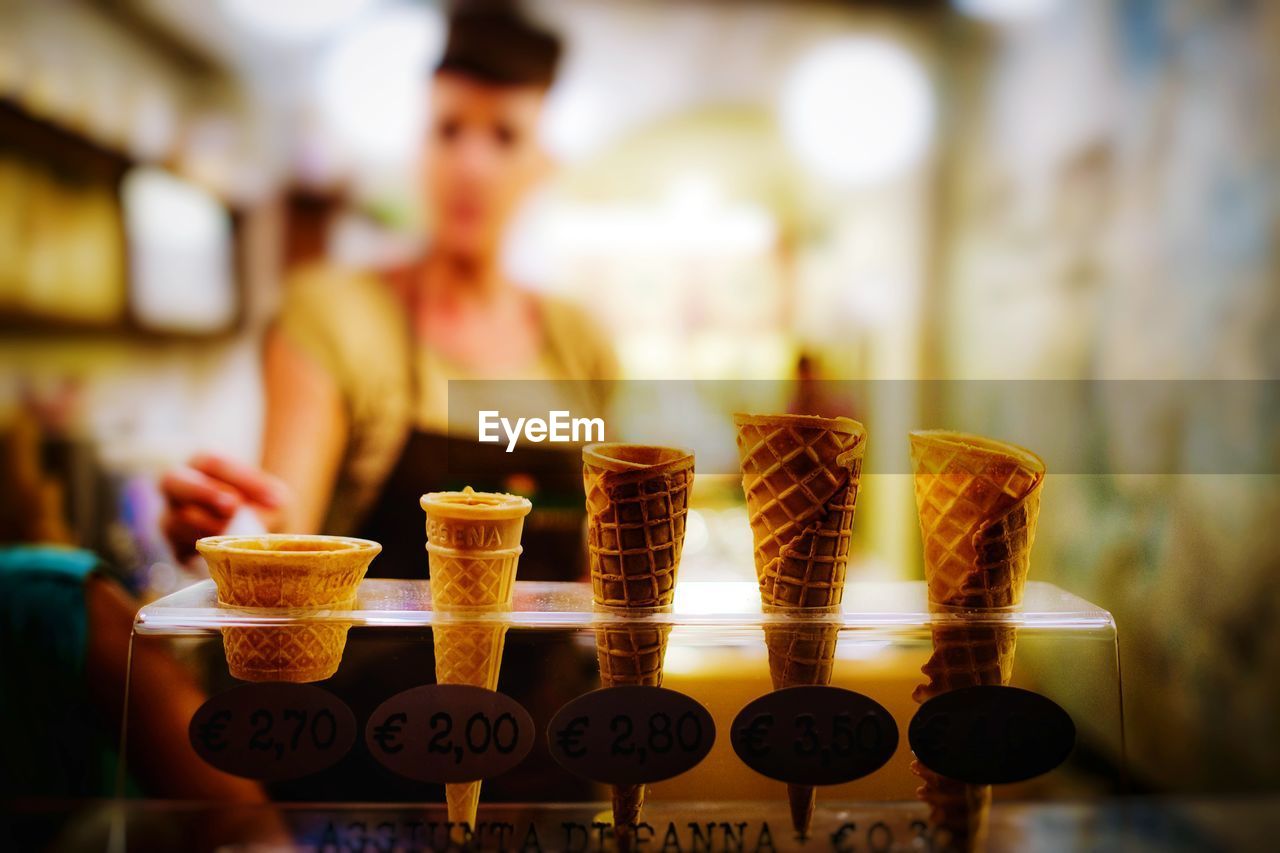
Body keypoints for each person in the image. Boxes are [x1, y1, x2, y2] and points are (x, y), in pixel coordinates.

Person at [161, 3, 616, 578]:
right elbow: (287, 518)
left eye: (504, 135)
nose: (471, 164)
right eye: (448, 130)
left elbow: (594, 556)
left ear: (543, 163)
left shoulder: (579, 341)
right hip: (382, 669)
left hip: (552, 670)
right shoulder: (333, 314)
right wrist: (242, 528)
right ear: (418, 147)